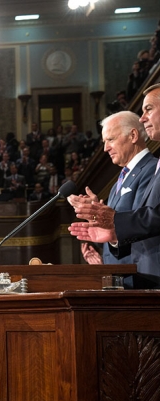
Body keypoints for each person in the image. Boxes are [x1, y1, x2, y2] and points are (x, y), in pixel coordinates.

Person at [69, 84, 160, 288]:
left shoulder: (150, 168)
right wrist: (97, 215)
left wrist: (106, 217)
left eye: (110, 139)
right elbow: (121, 228)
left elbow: (145, 222)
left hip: (146, 277)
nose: (105, 148)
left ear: (133, 136)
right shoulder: (118, 181)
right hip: (127, 278)